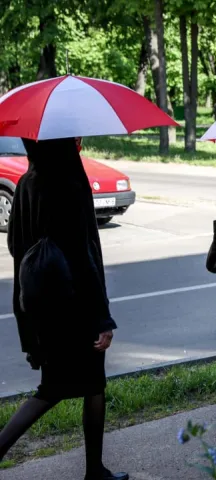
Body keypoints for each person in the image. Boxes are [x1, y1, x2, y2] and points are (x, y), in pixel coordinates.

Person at [0, 137, 128, 480]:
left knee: (65, 385)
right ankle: (94, 471)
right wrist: (102, 319)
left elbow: (14, 244)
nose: (79, 143)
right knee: (75, 387)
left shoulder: (28, 181)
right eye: (75, 138)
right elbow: (84, 258)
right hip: (75, 306)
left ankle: (95, 469)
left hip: (41, 305)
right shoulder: (70, 184)